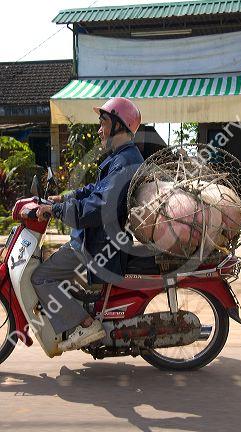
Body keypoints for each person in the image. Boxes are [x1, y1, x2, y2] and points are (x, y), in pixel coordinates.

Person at [23, 97, 144, 352]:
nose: (99, 129)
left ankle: (86, 324)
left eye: (103, 122)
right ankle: (81, 308)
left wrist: (54, 210)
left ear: (119, 125)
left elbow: (99, 206)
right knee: (56, 267)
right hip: (100, 239)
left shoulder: (123, 161)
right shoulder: (123, 157)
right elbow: (95, 190)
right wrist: (65, 198)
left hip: (97, 245)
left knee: (41, 277)